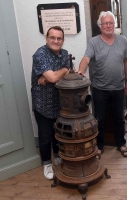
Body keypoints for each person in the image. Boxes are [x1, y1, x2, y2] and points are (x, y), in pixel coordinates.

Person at [77, 11, 127, 157]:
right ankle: (99, 146)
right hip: (99, 88)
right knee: (99, 119)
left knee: (119, 119)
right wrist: (81, 71)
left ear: (114, 25)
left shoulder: (123, 40)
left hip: (119, 87)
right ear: (100, 26)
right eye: (105, 23)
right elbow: (86, 58)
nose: (108, 26)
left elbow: (126, 61)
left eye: (111, 23)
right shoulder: (94, 42)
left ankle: (121, 144)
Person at [31, 26, 70, 180]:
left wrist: (50, 76)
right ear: (46, 39)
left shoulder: (65, 54)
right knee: (45, 135)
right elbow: (54, 78)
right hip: (42, 102)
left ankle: (58, 156)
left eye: (59, 38)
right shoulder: (40, 54)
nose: (55, 41)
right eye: (52, 37)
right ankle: (47, 163)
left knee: (58, 132)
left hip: (59, 101)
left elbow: (64, 73)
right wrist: (63, 71)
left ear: (63, 40)